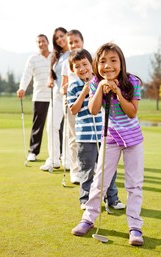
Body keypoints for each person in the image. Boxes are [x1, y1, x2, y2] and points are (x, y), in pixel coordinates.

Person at [71, 42, 144, 246]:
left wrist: (118, 93)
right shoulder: (95, 82)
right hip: (110, 138)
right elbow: (94, 110)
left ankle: (135, 227)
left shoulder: (132, 82)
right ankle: (88, 219)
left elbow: (132, 112)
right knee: (100, 181)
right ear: (97, 64)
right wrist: (100, 90)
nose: (108, 66)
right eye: (103, 61)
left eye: (113, 60)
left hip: (132, 140)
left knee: (134, 185)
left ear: (121, 63)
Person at [67, 48, 125, 210]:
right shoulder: (73, 86)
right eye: (77, 66)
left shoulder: (100, 83)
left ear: (91, 65)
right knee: (87, 169)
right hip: (85, 137)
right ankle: (85, 199)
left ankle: (111, 198)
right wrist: (84, 91)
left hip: (104, 134)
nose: (82, 68)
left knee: (108, 168)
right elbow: (73, 110)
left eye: (85, 64)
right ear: (73, 70)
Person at [17, 34, 52, 161]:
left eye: (43, 41)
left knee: (56, 126)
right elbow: (27, 74)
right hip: (39, 96)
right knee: (38, 125)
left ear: (48, 42)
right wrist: (22, 88)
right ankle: (33, 151)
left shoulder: (55, 56)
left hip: (55, 96)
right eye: (39, 42)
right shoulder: (33, 58)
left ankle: (58, 153)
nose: (41, 43)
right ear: (37, 44)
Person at [40, 27, 70, 171]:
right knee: (51, 126)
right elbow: (51, 72)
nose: (59, 39)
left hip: (70, 95)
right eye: (57, 38)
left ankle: (68, 160)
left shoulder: (74, 53)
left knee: (69, 130)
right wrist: (50, 79)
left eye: (61, 36)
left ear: (67, 35)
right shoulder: (56, 55)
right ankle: (53, 160)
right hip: (57, 94)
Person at [61, 30, 84, 184]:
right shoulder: (65, 64)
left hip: (90, 103)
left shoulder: (90, 60)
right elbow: (63, 87)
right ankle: (75, 171)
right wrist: (69, 87)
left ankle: (91, 168)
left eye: (76, 41)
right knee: (74, 138)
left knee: (91, 138)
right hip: (72, 103)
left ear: (82, 41)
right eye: (71, 43)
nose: (74, 44)